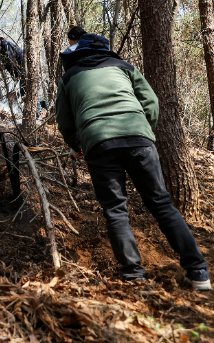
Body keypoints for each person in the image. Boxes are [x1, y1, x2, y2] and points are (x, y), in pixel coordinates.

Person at [55, 33, 211, 290]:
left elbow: (64, 121)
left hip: (99, 143)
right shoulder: (125, 67)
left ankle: (134, 275)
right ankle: (198, 273)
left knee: (115, 209)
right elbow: (151, 102)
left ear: (77, 54)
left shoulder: (69, 77)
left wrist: (76, 146)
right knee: (161, 203)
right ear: (107, 51)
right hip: (139, 139)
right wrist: (143, 131)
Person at [0, 34, 25, 98]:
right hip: (19, 71)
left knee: (23, 91)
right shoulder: (2, 48)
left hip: (22, 69)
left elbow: (9, 60)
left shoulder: (6, 45)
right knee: (21, 90)